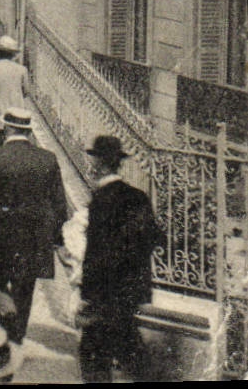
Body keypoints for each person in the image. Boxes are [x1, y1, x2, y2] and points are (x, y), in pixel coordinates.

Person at [0, 108, 71, 348]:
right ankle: (15, 337)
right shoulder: (48, 159)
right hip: (35, 237)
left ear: (7, 128)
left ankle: (8, 319)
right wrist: (57, 236)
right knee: (25, 286)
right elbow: (59, 203)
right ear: (29, 130)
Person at [75, 135, 159, 382]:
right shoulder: (139, 196)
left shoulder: (102, 200)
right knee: (129, 351)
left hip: (105, 292)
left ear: (99, 163)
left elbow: (97, 253)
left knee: (93, 355)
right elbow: (153, 237)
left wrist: (87, 294)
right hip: (132, 290)